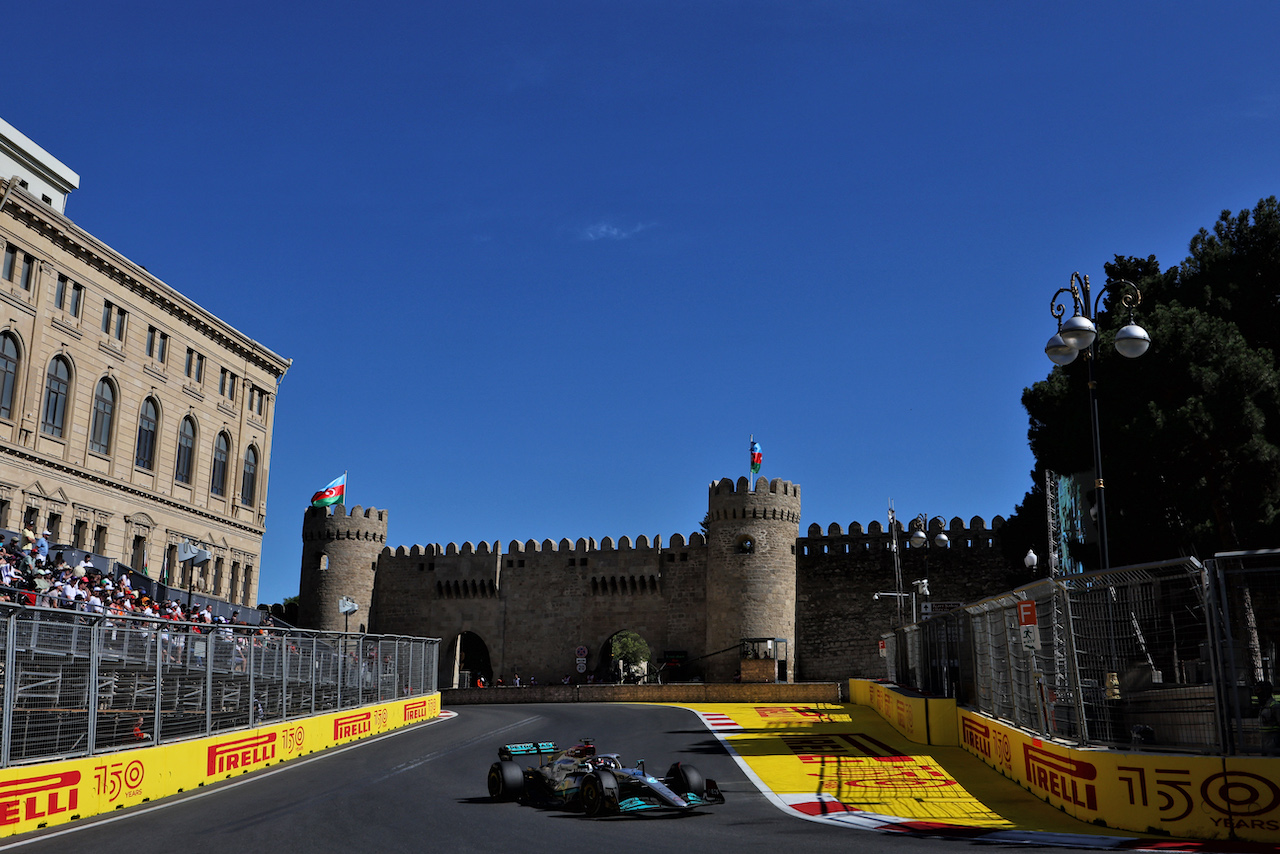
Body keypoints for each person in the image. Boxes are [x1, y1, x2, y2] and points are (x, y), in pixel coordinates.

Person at [1258, 680, 1279, 756]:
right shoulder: (1264, 706)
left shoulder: (1274, 706)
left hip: (1274, 746)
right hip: (1265, 745)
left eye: (1259, 690)